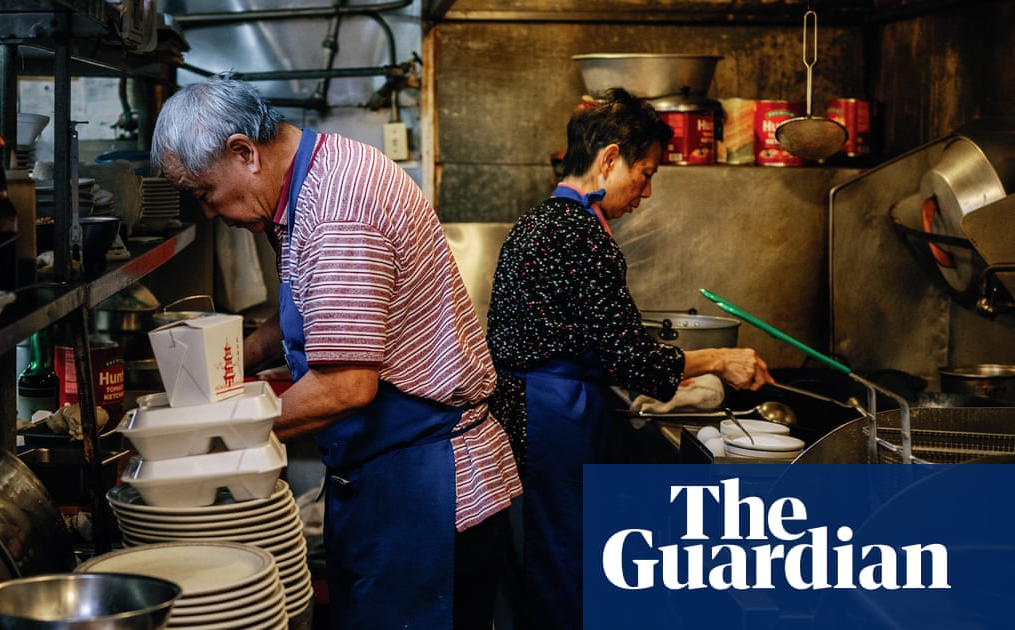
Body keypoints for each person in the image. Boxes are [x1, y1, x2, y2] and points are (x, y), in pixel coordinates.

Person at [150, 76, 522, 630]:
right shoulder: (310, 181)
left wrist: (211, 437)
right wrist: (223, 365)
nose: (208, 212)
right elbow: (314, 311)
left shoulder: (337, 208)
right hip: (386, 484)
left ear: (244, 153)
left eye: (204, 193)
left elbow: (347, 385)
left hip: (428, 491)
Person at [485, 87, 774, 629]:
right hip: (552, 422)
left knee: (542, 567)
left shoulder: (536, 223)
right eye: (645, 173)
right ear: (610, 158)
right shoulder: (579, 234)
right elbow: (630, 358)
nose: (644, 192)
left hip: (525, 416)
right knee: (564, 570)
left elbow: (595, 341)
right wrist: (718, 359)